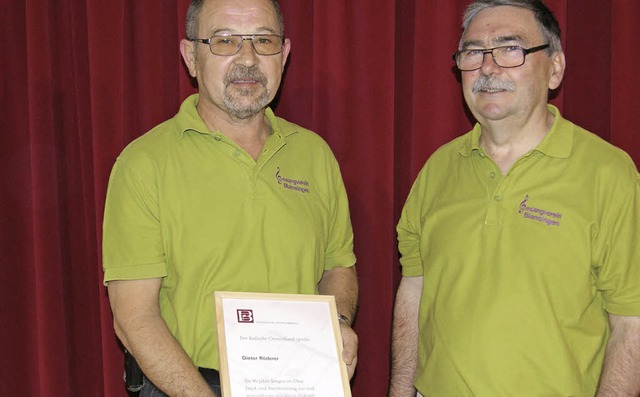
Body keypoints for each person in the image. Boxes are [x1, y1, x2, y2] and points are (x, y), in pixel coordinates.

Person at [102, 0, 358, 395]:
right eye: (224, 41)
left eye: (264, 40)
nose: (248, 58)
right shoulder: (143, 164)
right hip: (188, 387)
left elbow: (337, 267)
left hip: (302, 383)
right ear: (191, 56)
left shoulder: (314, 154)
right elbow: (133, 318)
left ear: (284, 54)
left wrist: (338, 323)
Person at [389, 0, 640, 396]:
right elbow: (414, 292)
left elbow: (631, 325)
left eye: (510, 49)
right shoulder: (437, 170)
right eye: (473, 53)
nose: (488, 68)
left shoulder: (609, 174)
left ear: (554, 68)